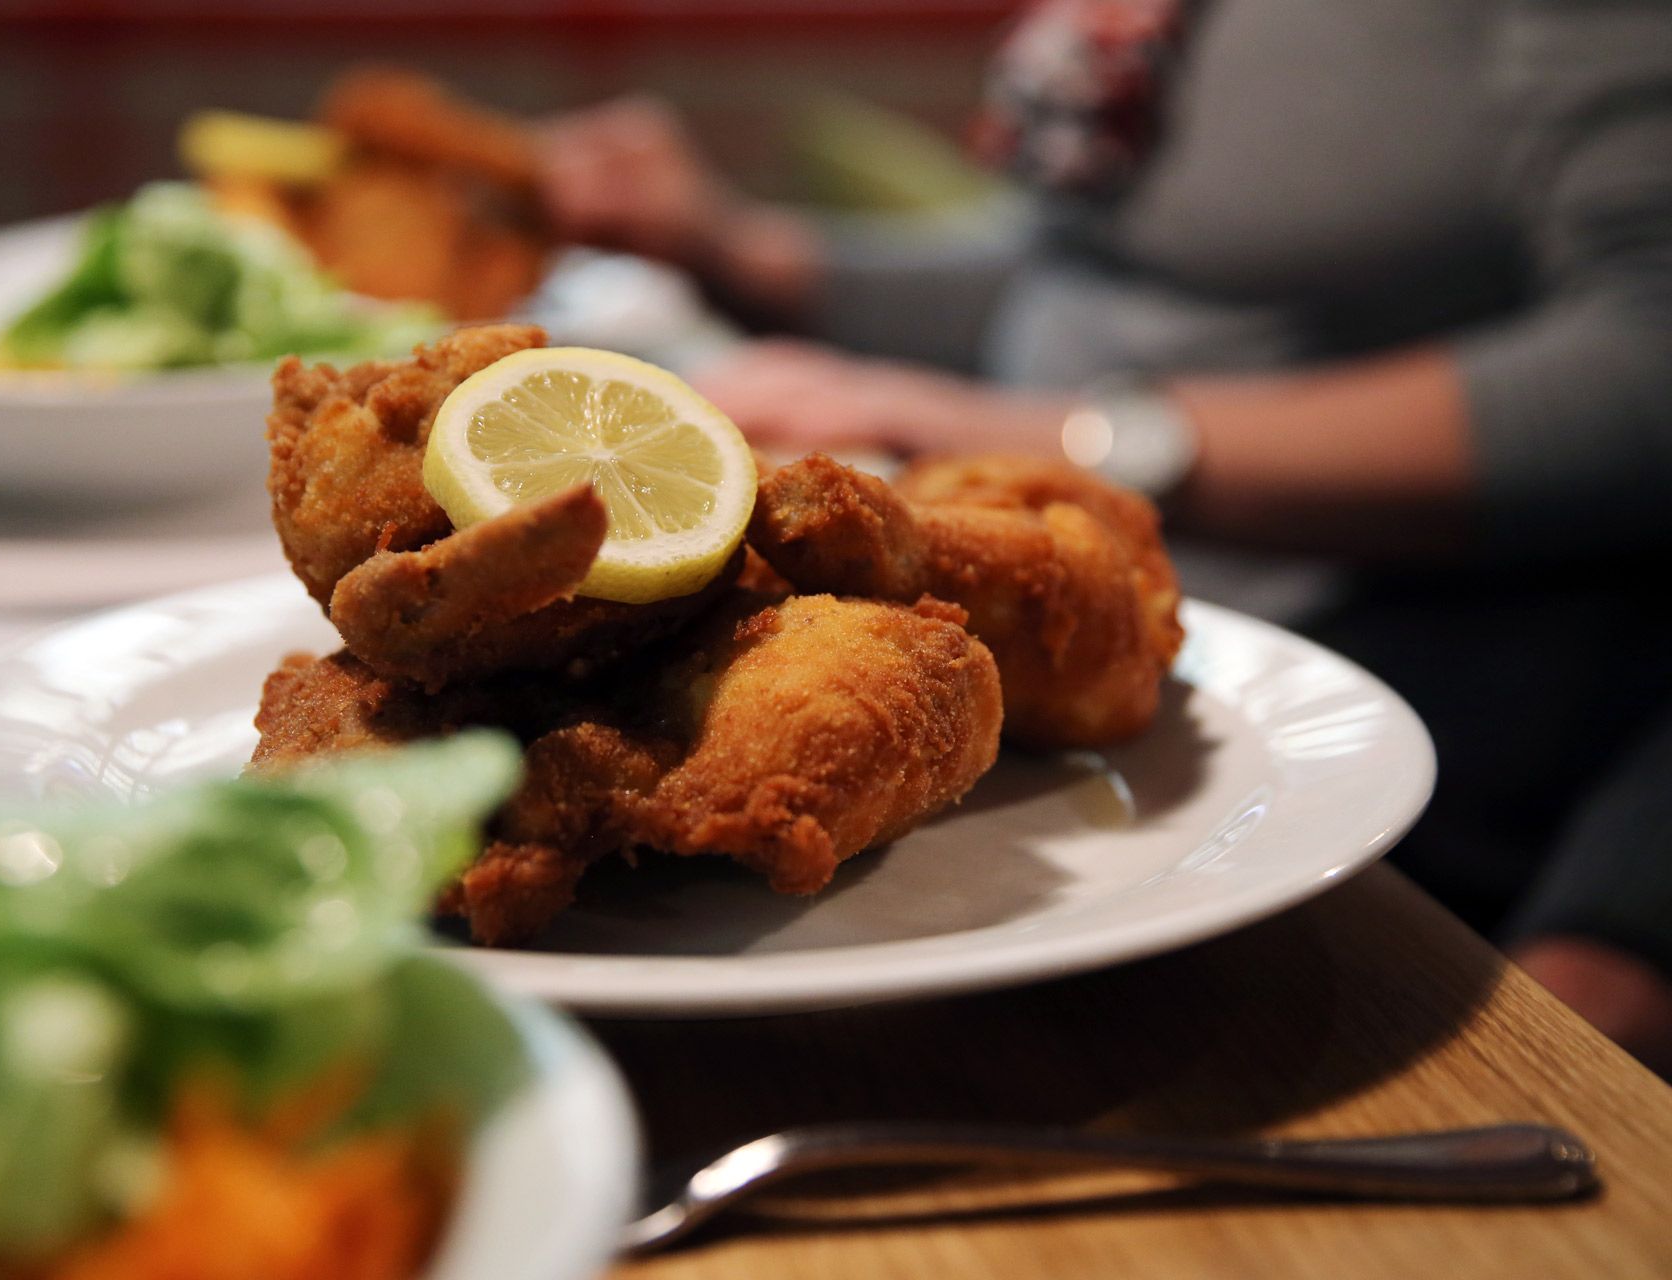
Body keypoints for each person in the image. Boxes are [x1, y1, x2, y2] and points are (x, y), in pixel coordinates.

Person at [537, 0, 1672, 1071]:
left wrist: (1089, 440)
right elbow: (1086, 277)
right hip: (1081, 656)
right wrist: (749, 250)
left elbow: (1645, 360)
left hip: (1400, 645)